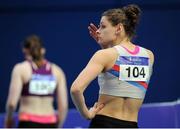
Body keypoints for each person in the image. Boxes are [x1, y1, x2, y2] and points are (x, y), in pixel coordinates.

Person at [71, 4, 154, 128]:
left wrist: (86, 114)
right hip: (131, 124)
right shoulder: (149, 56)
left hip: (104, 123)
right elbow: (123, 79)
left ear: (119, 28)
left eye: (103, 26)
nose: (98, 31)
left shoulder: (105, 55)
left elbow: (76, 89)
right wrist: (106, 49)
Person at [5, 35, 68, 128]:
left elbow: (11, 104)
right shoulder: (57, 71)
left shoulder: (21, 69)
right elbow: (63, 106)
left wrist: (8, 120)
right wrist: (58, 126)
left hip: (28, 122)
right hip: (50, 123)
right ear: (43, 50)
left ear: (25, 51)